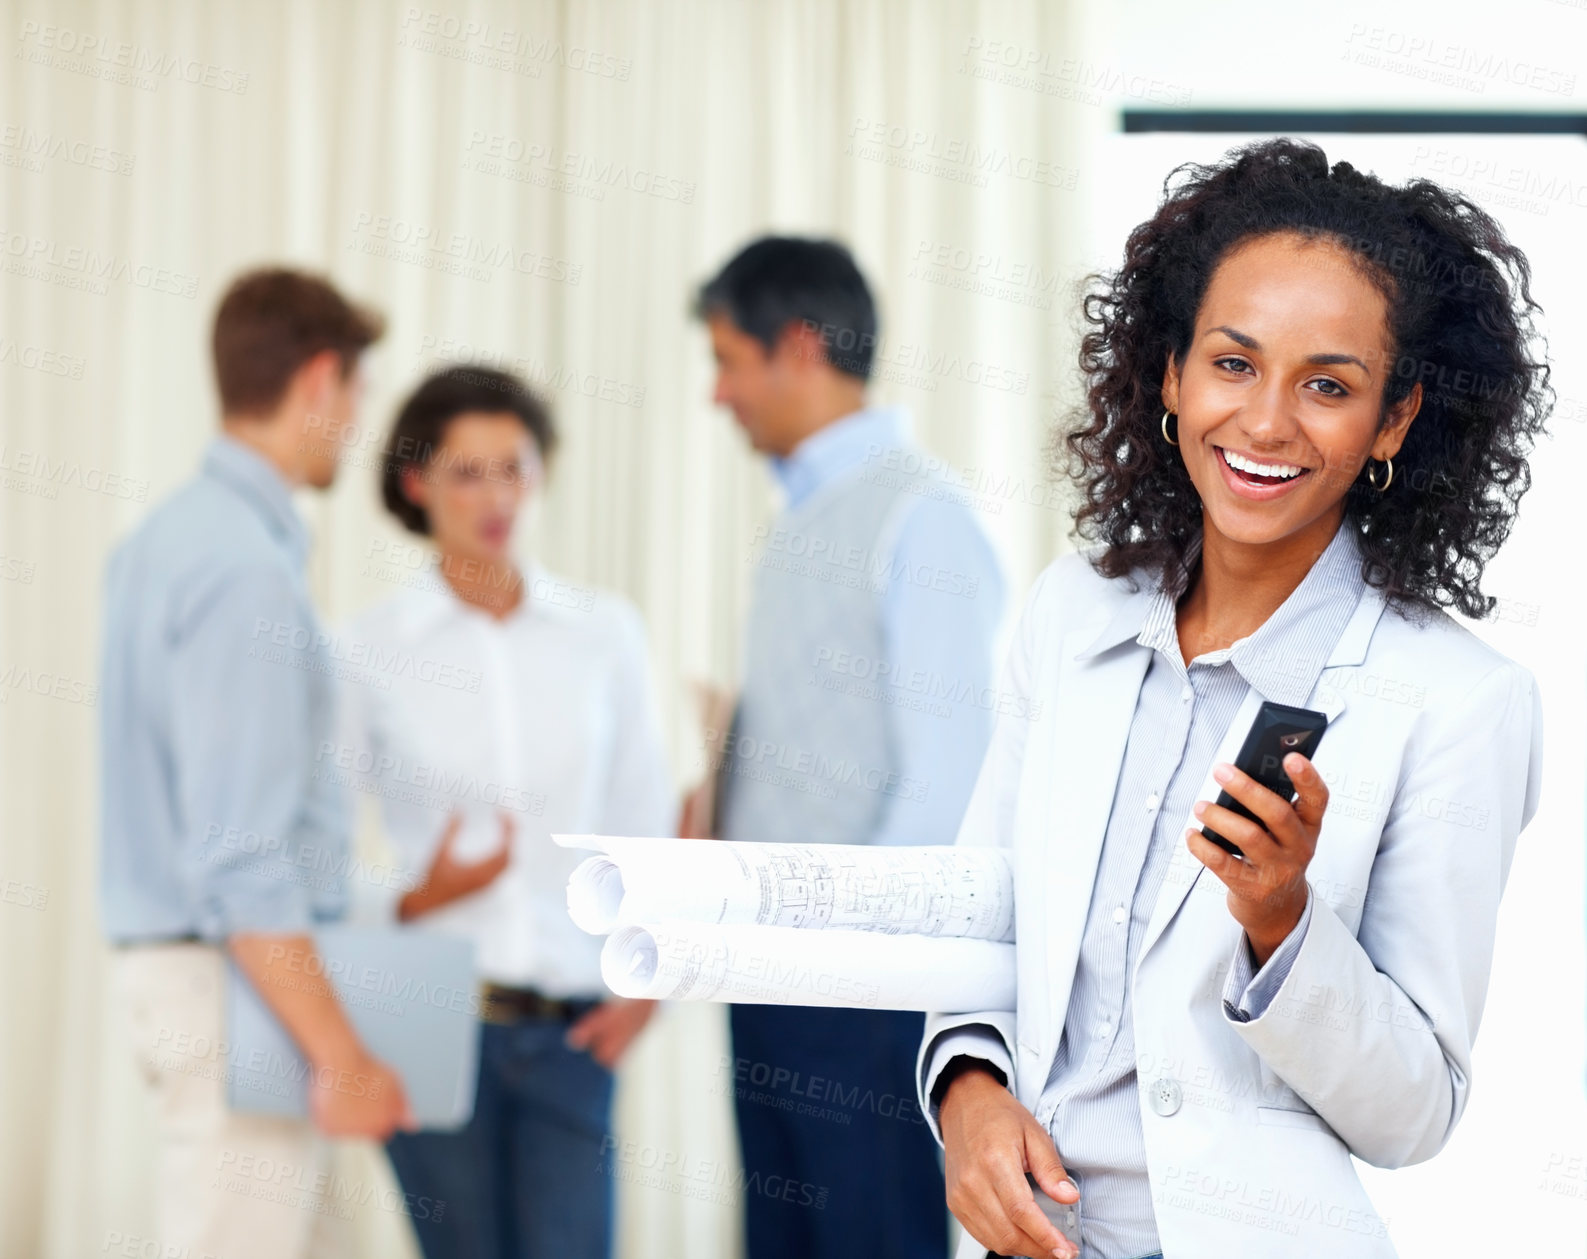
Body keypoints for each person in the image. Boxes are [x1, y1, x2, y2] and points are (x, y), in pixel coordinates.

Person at [919, 137, 1549, 1259]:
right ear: (1170, 372)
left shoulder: (1460, 704)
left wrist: (1282, 920)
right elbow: (985, 920)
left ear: (1394, 419)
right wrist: (966, 1089)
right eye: (1232, 362)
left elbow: (1417, 1110)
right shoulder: (1073, 616)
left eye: (1328, 385)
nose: (1264, 423)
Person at [692, 236, 1007, 1259]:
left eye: (728, 359)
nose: (718, 393)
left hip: (858, 994)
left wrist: (843, 967)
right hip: (772, 972)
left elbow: (944, 780)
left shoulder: (924, 518)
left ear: (796, 347)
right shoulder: (801, 518)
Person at [100, 267, 412, 1259]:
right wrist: (343, 1054)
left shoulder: (166, 540)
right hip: (237, 996)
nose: (355, 425)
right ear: (321, 380)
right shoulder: (242, 566)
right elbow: (241, 854)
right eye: (357, 396)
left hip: (212, 983)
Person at [340, 365, 675, 1259]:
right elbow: (316, 854)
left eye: (514, 468)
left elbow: (645, 821)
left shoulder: (605, 634)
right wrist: (415, 895)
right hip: (427, 1017)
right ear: (417, 484)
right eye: (466, 472)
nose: (496, 497)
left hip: (571, 1029)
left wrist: (647, 994)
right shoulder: (365, 650)